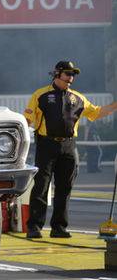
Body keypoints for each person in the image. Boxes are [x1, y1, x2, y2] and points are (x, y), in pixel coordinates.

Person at [24, 61, 117, 238]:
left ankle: (59, 228)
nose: (71, 78)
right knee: (41, 187)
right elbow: (27, 119)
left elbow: (97, 112)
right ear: (57, 74)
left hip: (69, 146)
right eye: (68, 74)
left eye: (73, 74)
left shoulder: (78, 97)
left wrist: (115, 105)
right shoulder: (40, 95)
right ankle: (34, 227)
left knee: (64, 188)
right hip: (46, 144)